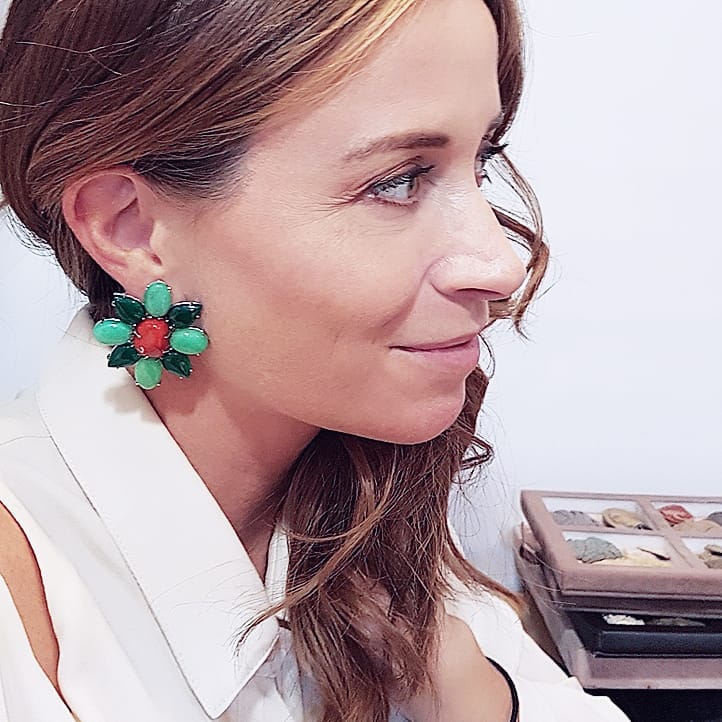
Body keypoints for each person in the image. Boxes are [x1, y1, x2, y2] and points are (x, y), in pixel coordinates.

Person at [0, 1, 629, 720]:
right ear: (132, 228)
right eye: (397, 180)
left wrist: (471, 692)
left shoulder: (364, 492)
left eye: (480, 161)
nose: (500, 264)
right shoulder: (26, 603)